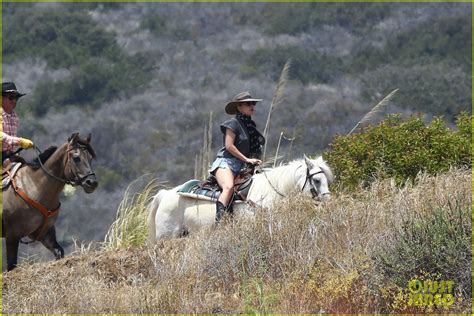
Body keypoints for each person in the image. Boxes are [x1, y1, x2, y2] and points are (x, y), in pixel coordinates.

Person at [209, 91, 265, 222]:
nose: (252, 106)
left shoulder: (250, 126)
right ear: (239, 107)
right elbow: (229, 146)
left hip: (242, 166)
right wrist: (246, 159)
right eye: (248, 104)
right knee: (228, 187)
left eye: (253, 103)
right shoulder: (232, 124)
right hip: (226, 163)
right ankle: (220, 221)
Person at [2, 82, 34, 165]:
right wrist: (20, 141)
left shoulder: (14, 117)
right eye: (11, 98)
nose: (14, 101)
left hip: (8, 156)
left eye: (16, 98)